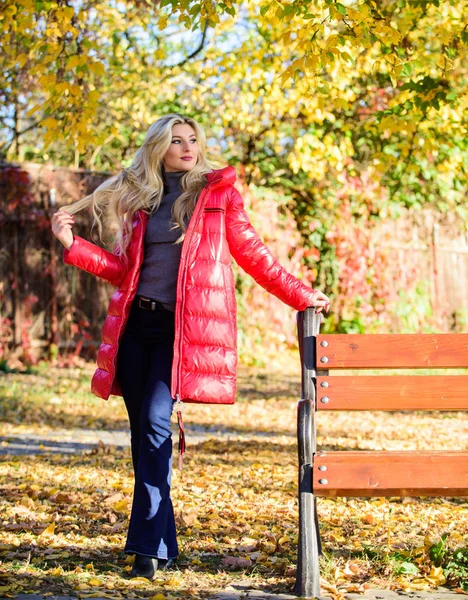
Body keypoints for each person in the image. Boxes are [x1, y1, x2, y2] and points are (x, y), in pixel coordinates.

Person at [51, 113, 330, 580]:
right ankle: (162, 542)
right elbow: (124, 271)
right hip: (136, 328)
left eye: (192, 140)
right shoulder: (143, 200)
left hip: (179, 337)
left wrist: (302, 294)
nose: (187, 148)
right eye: (176, 141)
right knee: (144, 437)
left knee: (157, 422)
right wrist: (72, 243)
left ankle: (144, 550)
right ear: (158, 148)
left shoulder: (219, 197)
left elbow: (256, 257)